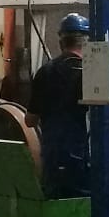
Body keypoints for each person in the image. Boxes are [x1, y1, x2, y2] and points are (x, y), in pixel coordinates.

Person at [27, 13, 92, 199]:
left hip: (52, 157)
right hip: (83, 158)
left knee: (56, 205)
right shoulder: (92, 73)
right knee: (84, 206)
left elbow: (30, 121)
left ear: (61, 42)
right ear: (87, 42)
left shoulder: (44, 72)